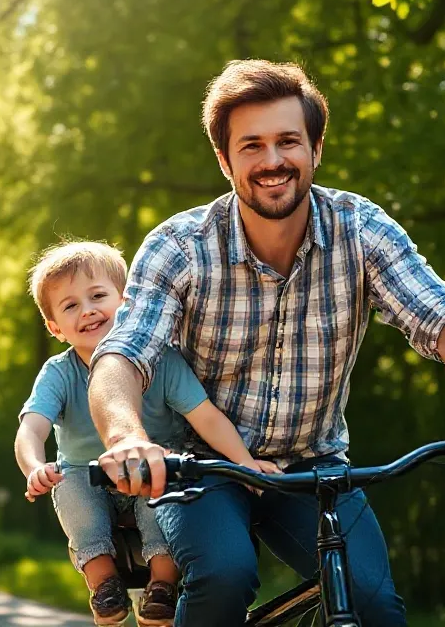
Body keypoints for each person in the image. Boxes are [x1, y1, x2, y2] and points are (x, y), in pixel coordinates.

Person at [87, 60, 445, 626]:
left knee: (374, 604)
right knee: (225, 576)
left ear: (315, 149)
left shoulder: (359, 228)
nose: (273, 160)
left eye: (288, 141)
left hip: (315, 469)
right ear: (224, 159)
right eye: (252, 145)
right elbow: (124, 355)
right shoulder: (181, 245)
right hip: (199, 470)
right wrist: (128, 436)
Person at [14, 240, 280, 626]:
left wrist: (245, 462)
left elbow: (205, 416)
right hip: (87, 477)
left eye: (97, 296)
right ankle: (104, 585)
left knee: (164, 485)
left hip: (150, 471)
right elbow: (31, 428)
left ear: (126, 303)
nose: (87, 310)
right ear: (55, 327)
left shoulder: (162, 360)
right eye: (71, 305)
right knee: (69, 487)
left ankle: (161, 588)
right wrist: (35, 466)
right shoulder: (59, 373)